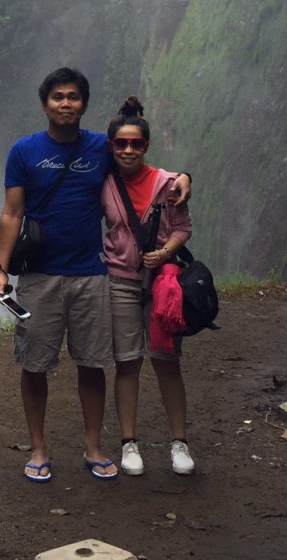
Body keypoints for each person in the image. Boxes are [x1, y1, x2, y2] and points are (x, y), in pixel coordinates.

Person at [0, 68, 190, 483]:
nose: (66, 103)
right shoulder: (23, 152)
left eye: (74, 97)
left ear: (84, 104)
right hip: (40, 276)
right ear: (45, 103)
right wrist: (1, 271)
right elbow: (12, 212)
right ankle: (38, 449)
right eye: (58, 96)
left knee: (92, 364)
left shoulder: (102, 147)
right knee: (35, 365)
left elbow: (144, 168)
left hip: (92, 273)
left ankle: (94, 447)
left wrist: (186, 176)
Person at [101, 96, 195, 476]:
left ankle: (179, 443)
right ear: (111, 146)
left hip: (162, 286)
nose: (128, 150)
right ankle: (129, 444)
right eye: (121, 143)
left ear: (146, 146)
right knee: (127, 363)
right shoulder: (103, 183)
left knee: (167, 362)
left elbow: (183, 228)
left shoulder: (168, 184)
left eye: (135, 143)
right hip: (119, 281)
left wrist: (166, 251)